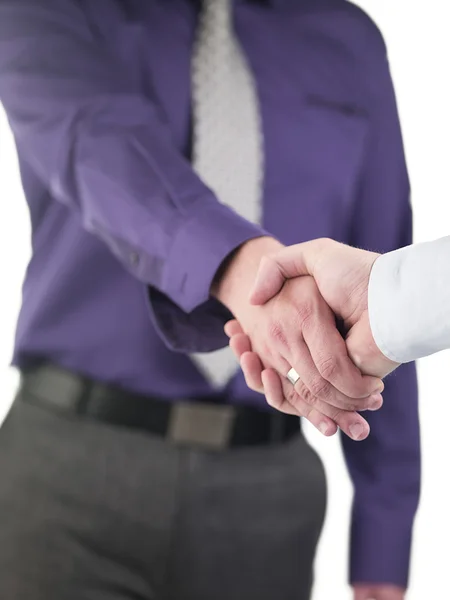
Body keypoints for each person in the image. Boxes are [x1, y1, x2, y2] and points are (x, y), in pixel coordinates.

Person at [0, 1, 418, 600]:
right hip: (68, 479)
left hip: (267, 498)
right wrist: (243, 265)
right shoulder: (52, 8)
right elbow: (97, 145)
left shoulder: (346, 40)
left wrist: (385, 537)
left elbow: (385, 285)